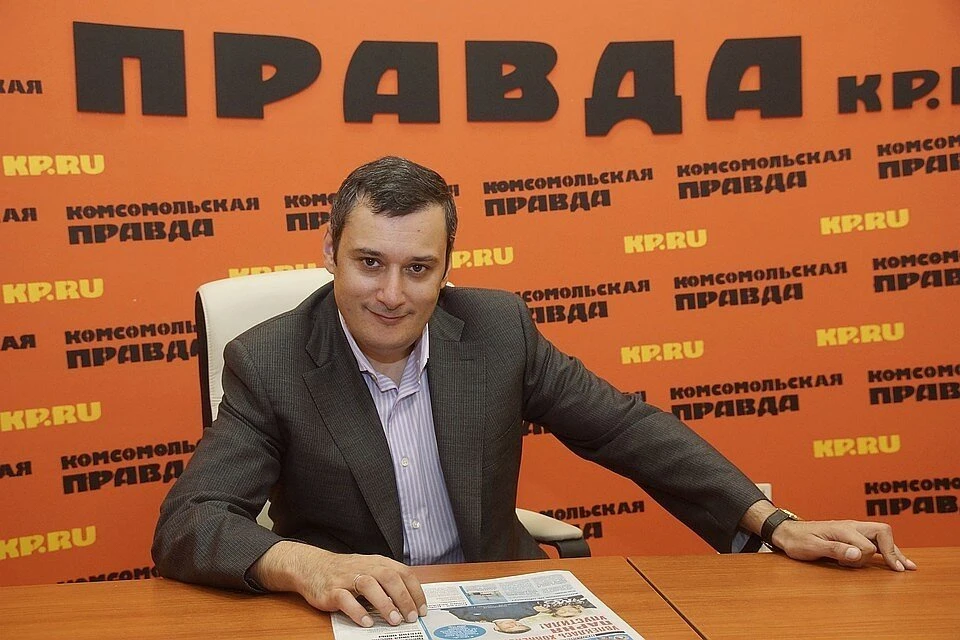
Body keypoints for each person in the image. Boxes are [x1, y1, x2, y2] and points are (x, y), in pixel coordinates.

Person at [152, 156, 916, 630]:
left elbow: (622, 429)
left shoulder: (496, 330)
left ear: (447, 267)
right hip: (356, 619)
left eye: (418, 268)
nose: (391, 294)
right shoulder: (270, 360)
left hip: (496, 607)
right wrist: (306, 565)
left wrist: (773, 523)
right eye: (369, 263)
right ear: (329, 252)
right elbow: (190, 521)